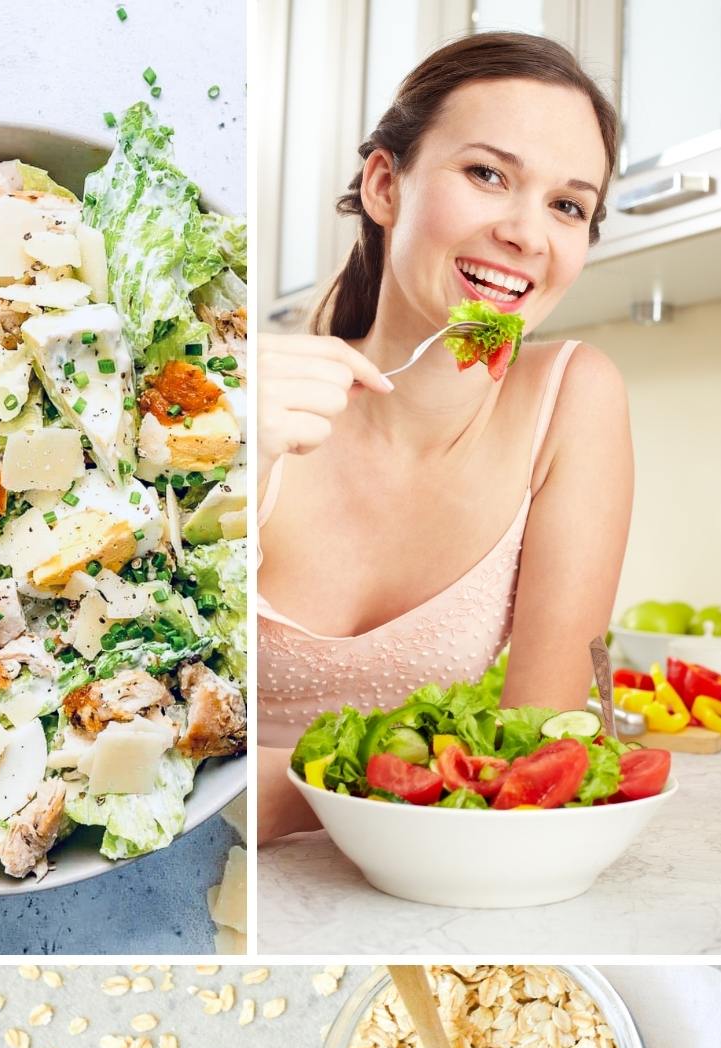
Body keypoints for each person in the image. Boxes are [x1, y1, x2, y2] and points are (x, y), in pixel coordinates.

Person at [258, 31, 632, 841]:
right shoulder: (259, 398)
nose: (528, 235)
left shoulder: (573, 401)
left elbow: (536, 758)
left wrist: (283, 791)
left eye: (568, 205)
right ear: (386, 185)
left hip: (423, 890)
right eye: (489, 174)